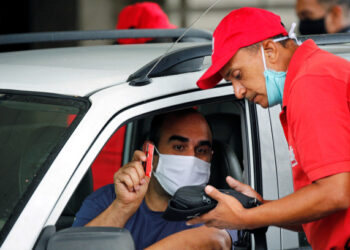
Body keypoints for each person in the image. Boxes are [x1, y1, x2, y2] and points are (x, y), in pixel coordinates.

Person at [187, 7, 350, 250]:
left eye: (238, 75)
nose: (238, 91)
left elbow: (336, 192)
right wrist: (260, 207)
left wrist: (245, 218)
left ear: (270, 51)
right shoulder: (312, 76)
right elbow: (323, 212)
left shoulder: (310, 83)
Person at [73, 109, 235, 249]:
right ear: (150, 153)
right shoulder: (107, 200)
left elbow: (215, 240)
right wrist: (122, 207)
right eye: (179, 147)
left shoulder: (224, 207)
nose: (191, 158)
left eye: (201, 150)